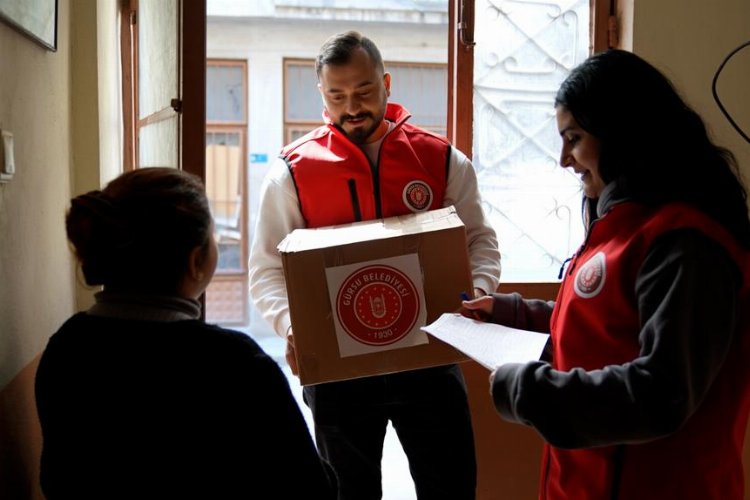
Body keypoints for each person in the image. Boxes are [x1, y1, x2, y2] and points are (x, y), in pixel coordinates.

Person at [462, 49, 750, 500]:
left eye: (573, 138)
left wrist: (528, 390)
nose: (564, 159)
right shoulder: (625, 226)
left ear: (622, 132)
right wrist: (513, 312)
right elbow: (608, 321)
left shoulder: (686, 246)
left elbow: (661, 393)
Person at [249, 31, 501, 499]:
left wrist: (474, 295)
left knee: (450, 487)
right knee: (347, 493)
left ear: (387, 83)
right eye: (337, 96)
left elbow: (479, 242)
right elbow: (266, 269)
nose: (352, 107)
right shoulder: (291, 171)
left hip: (430, 355)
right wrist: (292, 326)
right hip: (339, 372)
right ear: (322, 95)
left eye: (364, 92)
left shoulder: (441, 159)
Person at [35, 167, 336, 499]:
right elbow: (311, 488)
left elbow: (58, 479)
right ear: (196, 262)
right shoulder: (233, 363)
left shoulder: (67, 346)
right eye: (213, 239)